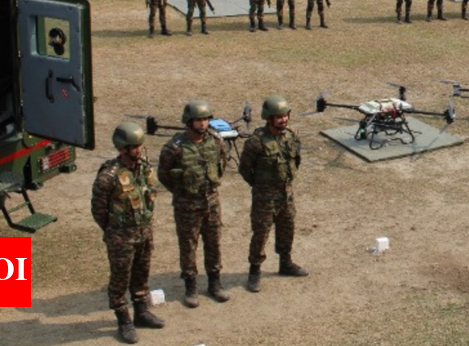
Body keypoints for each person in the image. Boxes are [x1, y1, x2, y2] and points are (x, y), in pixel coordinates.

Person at [92, 123, 165, 344]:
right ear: (122, 148)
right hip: (120, 238)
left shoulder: (143, 168)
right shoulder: (108, 176)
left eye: (140, 145)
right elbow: (98, 210)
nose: (139, 150)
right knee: (120, 279)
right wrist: (113, 232)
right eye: (135, 146)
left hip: (144, 233)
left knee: (141, 274)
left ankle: (141, 312)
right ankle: (123, 319)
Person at [157, 100, 230, 309]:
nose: (202, 123)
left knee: (214, 243)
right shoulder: (174, 148)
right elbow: (163, 175)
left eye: (205, 119)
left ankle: (214, 282)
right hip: (186, 206)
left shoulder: (216, 141)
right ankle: (190, 286)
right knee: (188, 246)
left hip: (211, 203)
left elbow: (221, 164)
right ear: (189, 121)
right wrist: (182, 193)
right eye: (198, 120)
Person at [240, 96, 309, 294]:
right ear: (269, 118)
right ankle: (255, 271)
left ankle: (285, 263)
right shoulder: (256, 142)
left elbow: (296, 160)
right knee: (261, 234)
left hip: (286, 194)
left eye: (285, 115)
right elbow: (245, 169)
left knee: (287, 228)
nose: (283, 120)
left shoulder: (292, 135)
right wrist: (260, 186)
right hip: (264, 197)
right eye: (278, 117)